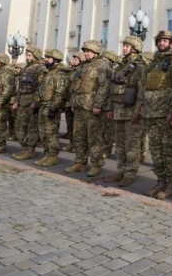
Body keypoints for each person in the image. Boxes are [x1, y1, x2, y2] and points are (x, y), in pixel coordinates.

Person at [139, 31, 172, 200]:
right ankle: (160, 181)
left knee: (169, 151)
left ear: (171, 43)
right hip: (151, 113)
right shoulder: (152, 64)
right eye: (159, 40)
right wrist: (143, 106)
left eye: (165, 41)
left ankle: (170, 184)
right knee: (156, 150)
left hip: (166, 114)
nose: (161, 43)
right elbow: (145, 87)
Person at [103, 36, 147, 187]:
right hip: (118, 110)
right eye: (124, 46)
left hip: (130, 111)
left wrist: (137, 113)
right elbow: (112, 88)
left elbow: (142, 91)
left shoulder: (140, 67)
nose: (124, 48)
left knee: (132, 145)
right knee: (120, 144)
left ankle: (130, 173)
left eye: (127, 46)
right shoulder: (120, 66)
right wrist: (110, 108)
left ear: (134, 48)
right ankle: (120, 170)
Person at [65, 41, 112, 176]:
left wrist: (98, 105)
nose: (86, 53)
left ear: (96, 52)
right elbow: (76, 86)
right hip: (80, 107)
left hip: (92, 108)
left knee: (94, 138)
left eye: (88, 51)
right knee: (79, 136)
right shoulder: (83, 66)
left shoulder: (102, 64)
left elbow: (104, 86)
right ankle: (80, 161)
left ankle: (96, 164)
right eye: (85, 51)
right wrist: (74, 103)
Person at [34, 49, 69, 167]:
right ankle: (47, 154)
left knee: (51, 133)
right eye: (46, 57)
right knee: (43, 132)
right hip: (43, 105)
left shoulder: (59, 74)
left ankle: (53, 156)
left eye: (48, 58)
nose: (46, 60)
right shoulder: (47, 73)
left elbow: (60, 93)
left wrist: (54, 107)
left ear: (55, 60)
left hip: (51, 106)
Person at [11, 47, 47, 161]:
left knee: (32, 128)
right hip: (22, 100)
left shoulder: (40, 68)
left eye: (30, 55)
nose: (27, 57)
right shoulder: (26, 68)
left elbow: (40, 87)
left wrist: (35, 102)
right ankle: (25, 147)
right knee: (19, 125)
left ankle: (30, 150)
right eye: (27, 55)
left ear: (36, 56)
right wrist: (17, 100)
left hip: (31, 101)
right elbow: (20, 87)